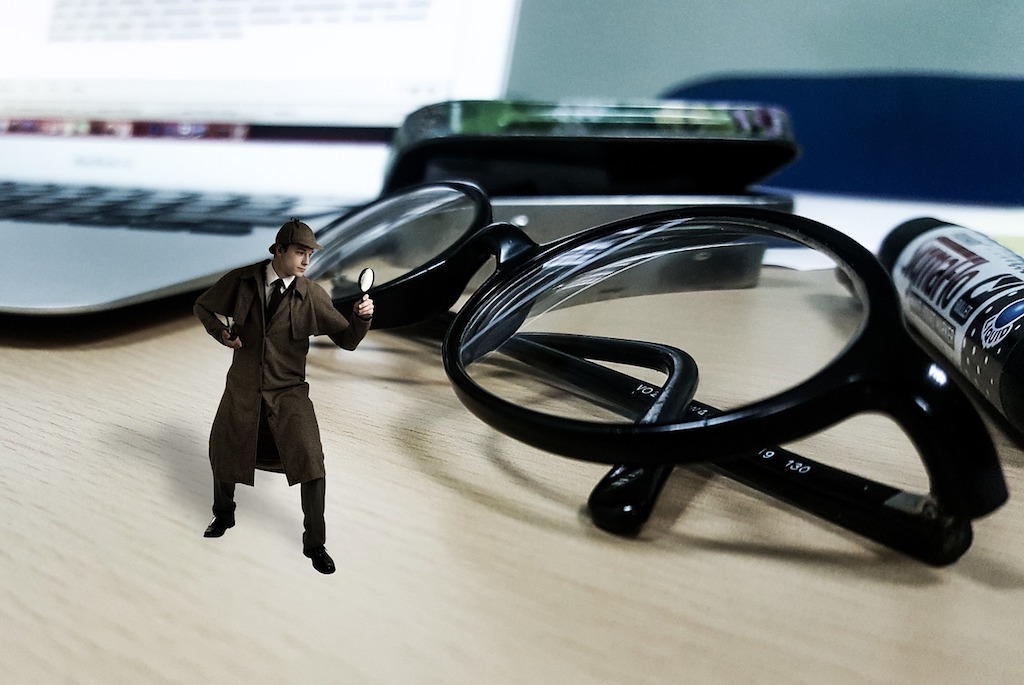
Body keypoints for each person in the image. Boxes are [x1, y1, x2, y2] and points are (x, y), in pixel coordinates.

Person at [193, 218, 374, 574]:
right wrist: (221, 332)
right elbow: (203, 306)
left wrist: (361, 318)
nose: (306, 260)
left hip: (288, 392)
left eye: (310, 254)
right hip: (243, 386)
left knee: (311, 462)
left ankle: (315, 544)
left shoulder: (312, 295)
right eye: (300, 252)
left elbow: (348, 340)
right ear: (279, 250)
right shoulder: (242, 280)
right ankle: (223, 516)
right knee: (224, 450)